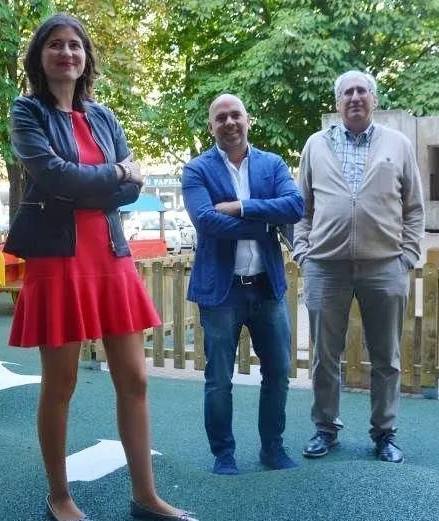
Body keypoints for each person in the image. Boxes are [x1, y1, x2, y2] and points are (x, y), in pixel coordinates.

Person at [3, 13, 197, 521]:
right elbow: (53, 174)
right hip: (58, 259)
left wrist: (99, 182)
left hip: (109, 255)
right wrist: (110, 174)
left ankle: (146, 494)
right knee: (60, 383)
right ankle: (59, 495)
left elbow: (131, 190)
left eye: (75, 46)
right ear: (39, 57)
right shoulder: (27, 112)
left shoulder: (104, 118)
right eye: (55, 46)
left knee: (133, 379)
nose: (67, 53)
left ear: (86, 57)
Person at [293, 70, 425, 464]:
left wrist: (407, 257)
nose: (354, 97)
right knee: (324, 357)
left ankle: (385, 434)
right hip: (325, 266)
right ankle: (325, 429)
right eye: (346, 92)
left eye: (361, 90)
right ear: (337, 102)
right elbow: (302, 209)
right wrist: (303, 252)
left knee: (386, 357)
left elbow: (414, 208)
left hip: (385, 266)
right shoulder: (316, 144)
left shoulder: (398, 144)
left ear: (374, 99)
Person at [181, 94, 304, 475]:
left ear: (248, 120)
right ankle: (224, 454)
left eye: (236, 115)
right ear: (211, 126)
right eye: (221, 118)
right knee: (219, 378)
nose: (230, 122)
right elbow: (206, 222)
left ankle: (273, 449)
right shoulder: (196, 170)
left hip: (267, 288)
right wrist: (265, 220)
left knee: (278, 372)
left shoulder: (272, 164)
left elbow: (296, 206)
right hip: (221, 292)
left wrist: (240, 207)